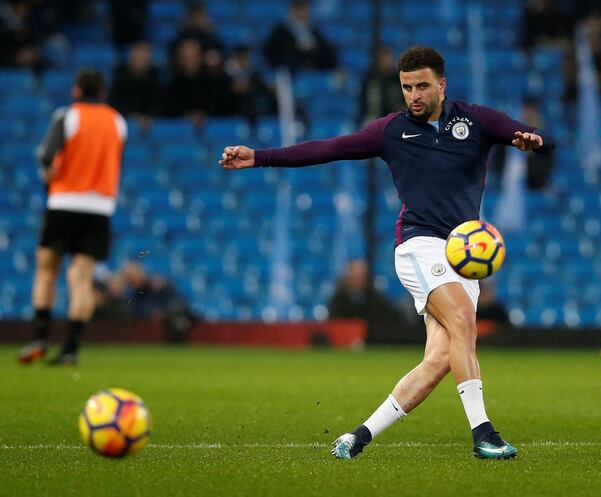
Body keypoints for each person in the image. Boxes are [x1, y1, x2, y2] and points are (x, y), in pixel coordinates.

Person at [219, 46, 555, 459]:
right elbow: (328, 149)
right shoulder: (391, 131)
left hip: (461, 257)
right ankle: (483, 433)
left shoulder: (477, 120)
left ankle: (357, 437)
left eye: (422, 86)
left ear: (441, 85)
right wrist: (260, 157)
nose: (413, 94)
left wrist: (533, 141)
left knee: (439, 360)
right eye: (406, 87)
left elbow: (542, 139)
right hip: (419, 244)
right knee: (466, 319)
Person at [17, 70, 127, 365]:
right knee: (81, 279)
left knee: (46, 270)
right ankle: (71, 350)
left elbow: (45, 156)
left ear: (76, 90)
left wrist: (48, 181)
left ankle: (39, 337)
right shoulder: (117, 121)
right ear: (103, 93)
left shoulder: (67, 116)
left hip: (64, 200)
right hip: (100, 207)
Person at [261, 0, 338, 72]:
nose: (302, 14)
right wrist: (295, 49)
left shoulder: (314, 31)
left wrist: (315, 48)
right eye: (299, 10)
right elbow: (270, 54)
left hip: (312, 73)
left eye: (304, 10)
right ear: (292, 11)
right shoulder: (280, 32)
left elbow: (329, 55)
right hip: (289, 74)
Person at [109, 41, 162, 124]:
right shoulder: (120, 78)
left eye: (144, 59)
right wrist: (133, 116)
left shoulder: (156, 79)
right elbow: (114, 103)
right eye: (137, 58)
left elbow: (159, 104)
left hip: (150, 123)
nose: (140, 62)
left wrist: (149, 116)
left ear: (149, 61)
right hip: (124, 121)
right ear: (131, 59)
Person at [358, 45, 407, 124]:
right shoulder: (370, 78)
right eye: (384, 58)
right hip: (374, 118)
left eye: (389, 58)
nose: (388, 61)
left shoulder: (397, 78)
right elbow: (365, 102)